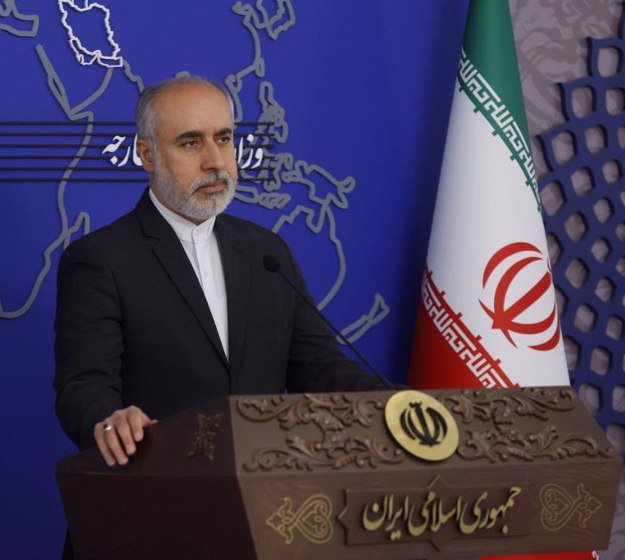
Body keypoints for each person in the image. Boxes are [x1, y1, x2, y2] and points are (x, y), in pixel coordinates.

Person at [53, 75, 387, 469]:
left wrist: (402, 403)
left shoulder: (266, 251)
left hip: (263, 499)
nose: (215, 161)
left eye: (224, 139)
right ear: (147, 155)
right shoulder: (101, 260)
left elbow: (320, 369)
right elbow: (84, 386)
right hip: (154, 494)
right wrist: (108, 420)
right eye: (191, 142)